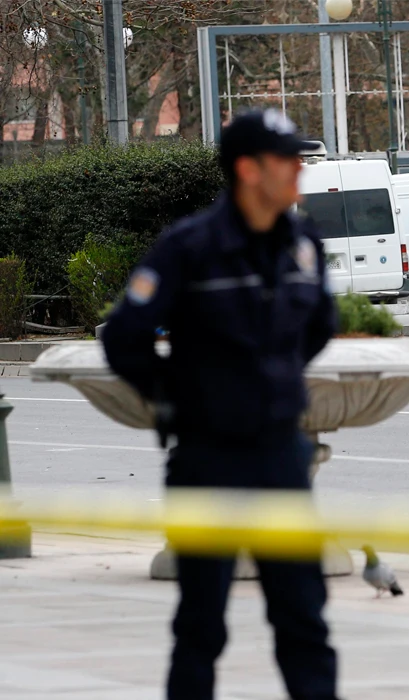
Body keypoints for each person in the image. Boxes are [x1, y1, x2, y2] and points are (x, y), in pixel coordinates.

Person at [102, 109, 339, 700]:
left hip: (282, 459)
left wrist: (274, 380)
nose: (298, 172)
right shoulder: (190, 247)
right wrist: (176, 396)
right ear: (247, 170)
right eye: (287, 161)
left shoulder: (303, 245)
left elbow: (319, 326)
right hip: (207, 460)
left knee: (303, 618)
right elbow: (124, 336)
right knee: (201, 626)